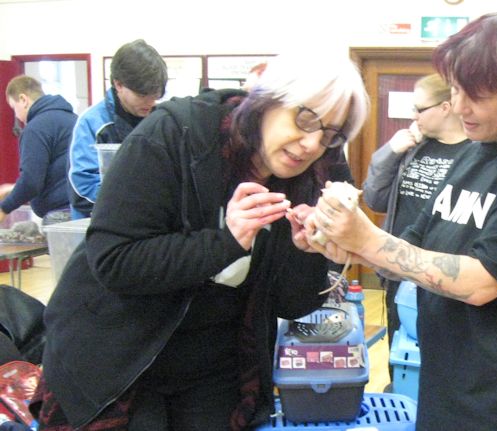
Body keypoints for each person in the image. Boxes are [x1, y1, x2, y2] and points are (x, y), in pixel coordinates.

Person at [30, 50, 369, 430]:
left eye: (330, 135)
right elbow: (115, 261)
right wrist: (226, 242)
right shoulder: (177, 133)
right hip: (117, 356)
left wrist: (308, 252)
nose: (311, 144)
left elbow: (291, 305)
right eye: (305, 119)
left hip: (215, 364)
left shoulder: (316, 171)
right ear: (268, 100)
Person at [307, 13, 497, 430]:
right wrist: (340, 241)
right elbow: (413, 246)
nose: (459, 108)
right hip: (451, 380)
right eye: (456, 90)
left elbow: (481, 283)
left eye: (476, 96)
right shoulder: (476, 150)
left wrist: (367, 240)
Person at [362, 73, 470, 378]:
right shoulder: (413, 148)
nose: (413, 116)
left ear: (446, 107)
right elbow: (374, 199)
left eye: (419, 109)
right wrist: (390, 152)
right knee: (401, 356)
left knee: (444, 360)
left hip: (446, 275)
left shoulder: (476, 153)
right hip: (400, 268)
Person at [68, 39, 168, 219]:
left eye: (155, 95)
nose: (150, 102)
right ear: (118, 84)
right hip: (100, 223)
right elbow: (83, 188)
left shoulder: (160, 120)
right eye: (142, 95)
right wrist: (136, 203)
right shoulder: (92, 123)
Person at [1, 75, 77, 225]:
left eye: (14, 108)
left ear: (23, 99)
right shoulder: (73, 119)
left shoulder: (35, 128)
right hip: (82, 211)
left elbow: (31, 182)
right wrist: (13, 188)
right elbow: (58, 171)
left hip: (61, 217)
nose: (17, 116)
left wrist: (3, 208)